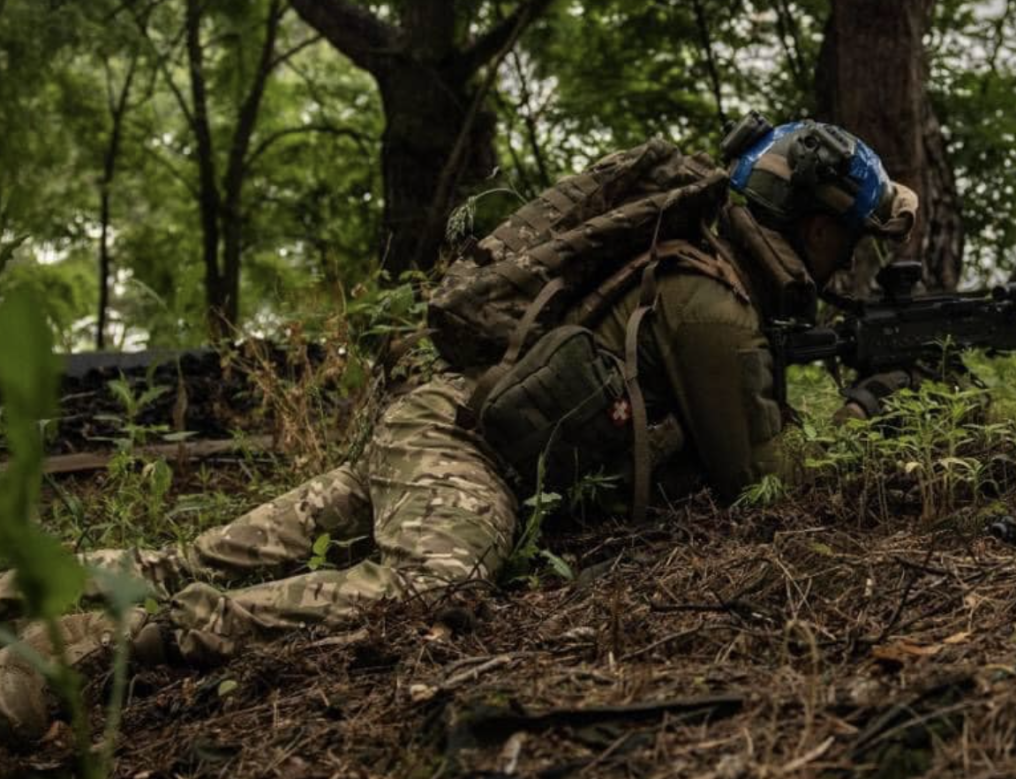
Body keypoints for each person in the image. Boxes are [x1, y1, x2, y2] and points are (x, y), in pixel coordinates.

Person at [0, 117, 917, 744]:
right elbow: (767, 481)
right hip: (464, 454)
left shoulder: (702, 263)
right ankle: (93, 648)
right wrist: (876, 411)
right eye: (852, 237)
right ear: (810, 226)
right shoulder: (712, 304)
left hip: (438, 422)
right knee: (433, 580)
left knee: (196, 552)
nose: (854, 259)